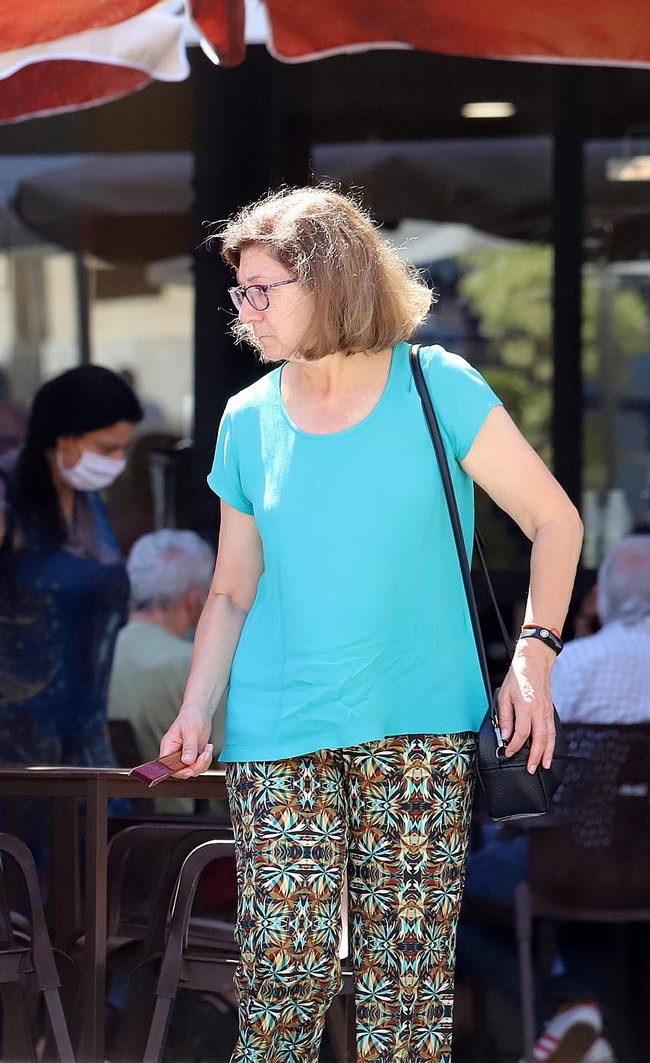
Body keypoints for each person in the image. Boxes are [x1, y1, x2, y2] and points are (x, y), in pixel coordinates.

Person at [160, 187, 583, 1061]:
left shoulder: (438, 386)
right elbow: (231, 590)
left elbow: (556, 522)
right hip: (279, 728)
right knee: (283, 980)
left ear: (330, 282)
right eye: (241, 291)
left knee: (408, 996)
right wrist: (197, 707)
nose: (245, 311)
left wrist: (533, 657)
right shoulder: (247, 419)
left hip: (420, 726)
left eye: (262, 290)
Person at [458, 534, 650, 1063]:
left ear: (604, 595)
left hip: (565, 862)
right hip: (637, 862)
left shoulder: (578, 663)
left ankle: (558, 1016)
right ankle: (579, 1014)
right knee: (602, 868)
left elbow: (520, 752)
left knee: (445, 893)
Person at [0, 364, 142, 770]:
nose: (118, 462)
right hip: (4, 743)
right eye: (107, 449)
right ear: (64, 436)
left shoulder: (89, 504)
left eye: (123, 449)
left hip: (84, 743)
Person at [108, 529, 223, 813]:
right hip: (184, 830)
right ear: (194, 599)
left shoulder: (101, 657)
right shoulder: (198, 669)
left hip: (111, 823)